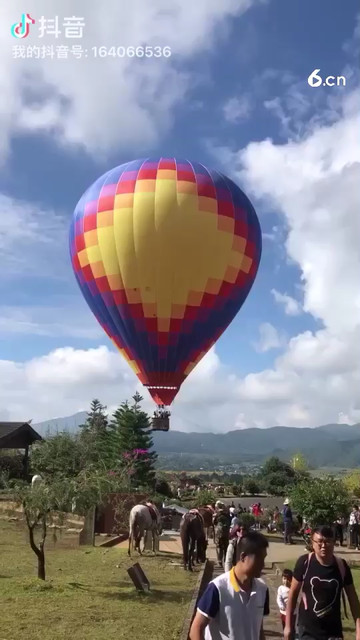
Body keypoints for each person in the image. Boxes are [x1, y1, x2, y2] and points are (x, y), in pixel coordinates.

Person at [189, 531, 270, 640]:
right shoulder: (218, 588)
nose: (263, 564)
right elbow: (196, 629)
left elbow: (258, 630)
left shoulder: (262, 589)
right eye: (259, 558)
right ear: (243, 557)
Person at [285, 525, 360, 640]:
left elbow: (353, 599)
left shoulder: (341, 566)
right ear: (312, 543)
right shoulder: (304, 563)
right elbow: (293, 594)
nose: (324, 546)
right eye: (320, 542)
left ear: (334, 542)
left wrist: (358, 630)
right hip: (308, 631)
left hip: (333, 633)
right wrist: (288, 626)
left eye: (328, 542)